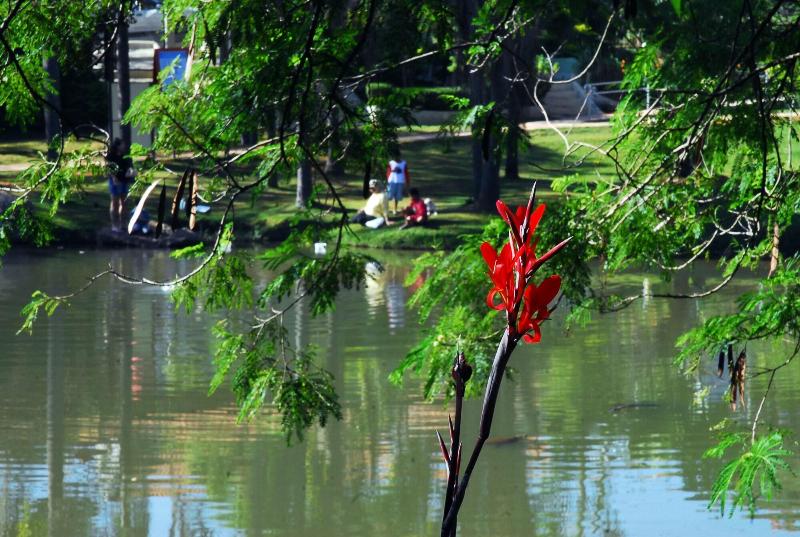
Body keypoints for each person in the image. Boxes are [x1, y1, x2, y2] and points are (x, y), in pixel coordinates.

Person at [106, 138, 134, 231]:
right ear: (117, 146)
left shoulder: (126, 155)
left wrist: (131, 172)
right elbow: (109, 168)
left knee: (124, 202)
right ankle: (115, 225)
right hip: (115, 181)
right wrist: (114, 178)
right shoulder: (111, 155)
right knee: (115, 203)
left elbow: (130, 166)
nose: (124, 146)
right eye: (122, 144)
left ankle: (123, 224)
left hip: (124, 181)